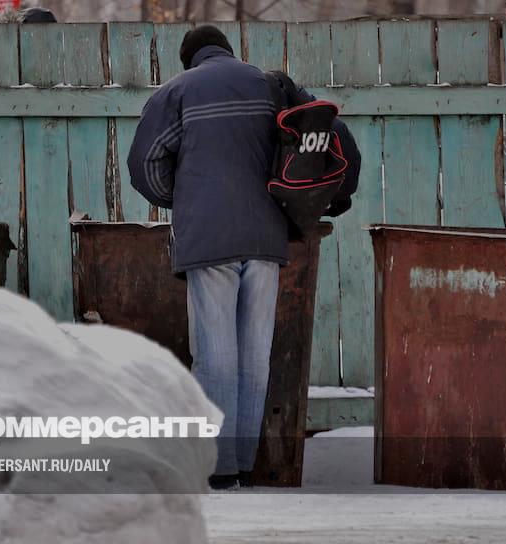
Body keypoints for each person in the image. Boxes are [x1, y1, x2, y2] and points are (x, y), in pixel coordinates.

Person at [128, 26, 360, 489]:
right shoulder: (269, 85)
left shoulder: (177, 92)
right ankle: (242, 465)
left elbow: (144, 165)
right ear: (228, 51)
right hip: (267, 238)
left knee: (215, 356)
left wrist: (182, 197)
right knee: (254, 356)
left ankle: (218, 469)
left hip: (208, 240)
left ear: (189, 58)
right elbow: (329, 133)